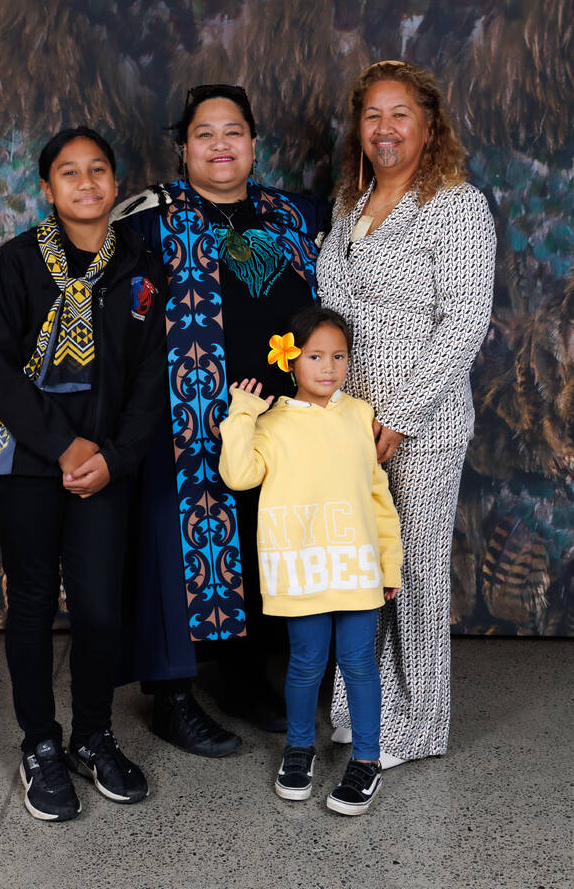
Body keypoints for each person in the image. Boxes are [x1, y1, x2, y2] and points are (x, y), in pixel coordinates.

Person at [113, 85, 330, 757]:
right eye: (203, 133)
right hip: (180, 420)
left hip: (278, 422)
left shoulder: (291, 214)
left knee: (260, 548)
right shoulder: (148, 217)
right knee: (176, 553)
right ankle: (172, 699)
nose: (219, 145)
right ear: (182, 147)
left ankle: (241, 676)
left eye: (232, 131)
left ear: (253, 143)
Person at [0, 126, 165, 821]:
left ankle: (92, 736)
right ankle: (40, 745)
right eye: (69, 173)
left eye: (98, 171)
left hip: (106, 463)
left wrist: (112, 456)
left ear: (114, 184)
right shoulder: (19, 261)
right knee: (30, 599)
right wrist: (64, 447)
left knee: (97, 607)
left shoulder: (141, 266)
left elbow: (151, 378)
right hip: (27, 459)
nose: (86, 183)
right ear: (48, 190)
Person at [317, 60, 496, 768]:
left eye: (399, 115)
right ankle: (357, 708)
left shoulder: (456, 206)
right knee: (361, 572)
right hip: (349, 421)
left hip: (418, 424)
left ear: (428, 126)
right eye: (371, 116)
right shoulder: (348, 203)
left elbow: (463, 324)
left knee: (412, 573)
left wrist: (397, 416)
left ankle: (416, 726)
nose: (384, 128)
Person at [218, 306, 402, 814]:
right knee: (305, 664)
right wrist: (241, 413)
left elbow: (378, 495)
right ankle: (299, 751)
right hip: (302, 569)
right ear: (292, 360)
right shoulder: (272, 424)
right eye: (316, 356)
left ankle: (366, 761)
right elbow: (237, 475)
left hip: (357, 566)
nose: (328, 367)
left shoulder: (360, 415)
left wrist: (389, 564)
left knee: (360, 663)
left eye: (338, 356)